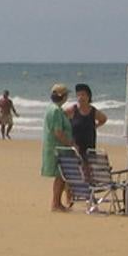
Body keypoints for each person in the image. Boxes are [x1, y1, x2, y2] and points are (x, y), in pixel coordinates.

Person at [41, 83, 75, 212]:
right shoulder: (55, 110)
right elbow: (58, 132)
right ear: (63, 96)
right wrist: (70, 143)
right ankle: (56, 203)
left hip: (57, 147)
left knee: (60, 176)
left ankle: (57, 202)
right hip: (57, 148)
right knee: (60, 176)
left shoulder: (55, 109)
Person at [64, 83, 107, 158]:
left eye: (83, 95)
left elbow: (103, 119)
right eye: (78, 95)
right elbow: (61, 121)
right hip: (75, 149)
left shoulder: (93, 111)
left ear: (88, 96)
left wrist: (95, 126)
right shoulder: (72, 110)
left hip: (89, 149)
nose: (80, 97)